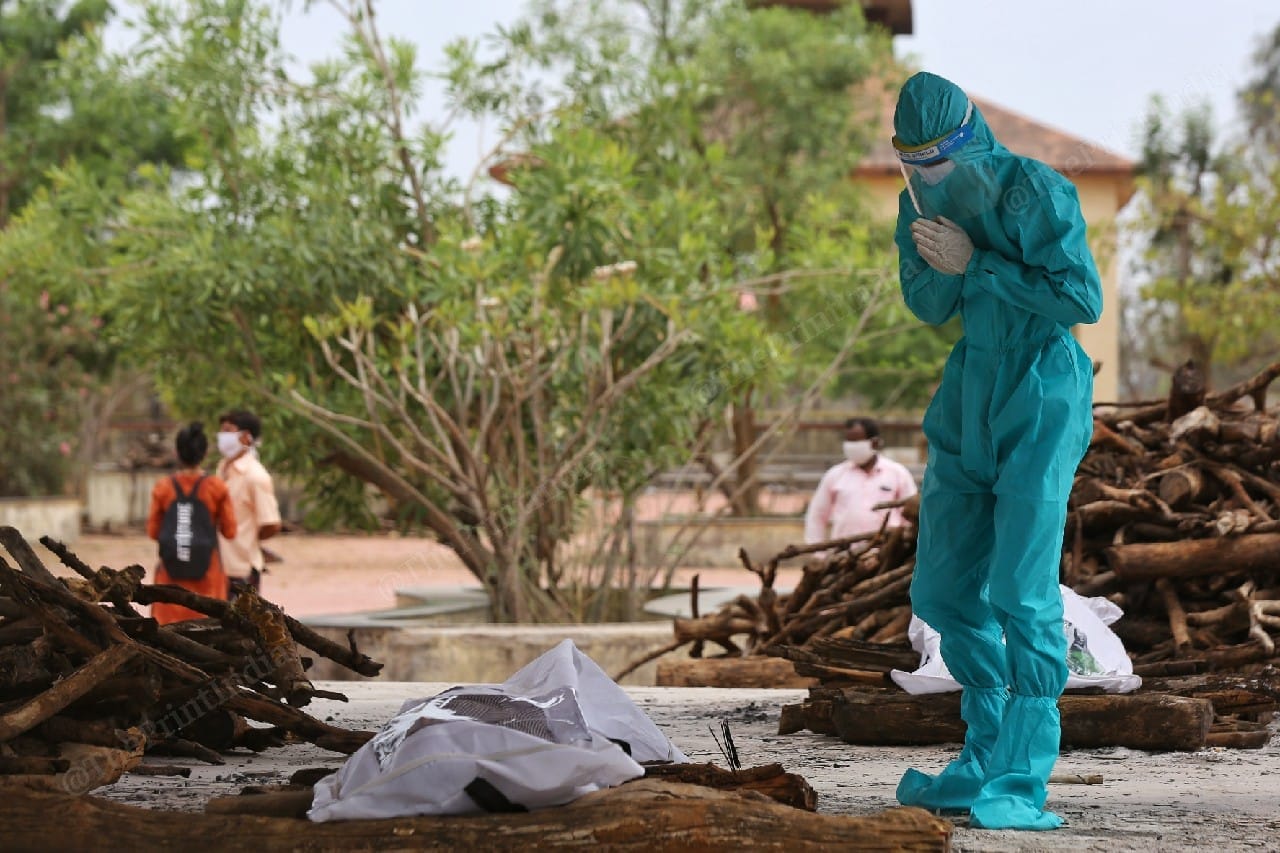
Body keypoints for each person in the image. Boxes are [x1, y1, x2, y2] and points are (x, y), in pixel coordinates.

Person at [890, 72, 1102, 831]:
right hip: (970, 390)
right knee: (943, 591)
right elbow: (927, 305)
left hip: (1042, 389)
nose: (929, 178)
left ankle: (1020, 776)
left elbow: (1081, 299)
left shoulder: (1034, 191)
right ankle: (981, 756)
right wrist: (937, 258)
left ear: (971, 140)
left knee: (1020, 587)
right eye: (914, 164)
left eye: (940, 162)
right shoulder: (918, 206)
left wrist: (977, 261)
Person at [147, 422, 236, 624]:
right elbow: (230, 531)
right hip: (209, 578)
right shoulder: (216, 487)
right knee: (209, 629)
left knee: (167, 632)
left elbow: (153, 532)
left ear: (177, 453)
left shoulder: (163, 487)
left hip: (170, 579)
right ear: (205, 454)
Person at [804, 417, 917, 547]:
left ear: (874, 443)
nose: (851, 447)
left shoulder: (897, 473)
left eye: (856, 441)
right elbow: (817, 515)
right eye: (849, 441)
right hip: (843, 552)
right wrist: (818, 552)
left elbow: (913, 513)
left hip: (887, 551)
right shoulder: (835, 475)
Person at [216, 409, 282, 600]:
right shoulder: (222, 468)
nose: (222, 436)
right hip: (217, 566)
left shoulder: (255, 476)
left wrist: (248, 540)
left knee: (240, 617)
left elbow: (271, 524)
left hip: (241, 568)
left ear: (245, 437)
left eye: (228, 430)